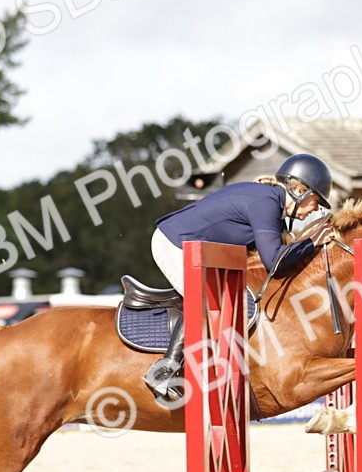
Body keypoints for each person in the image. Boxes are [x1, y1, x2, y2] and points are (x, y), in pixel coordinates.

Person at [142, 153, 335, 403]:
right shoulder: (265, 203)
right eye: (316, 202)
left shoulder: (271, 202)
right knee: (205, 300)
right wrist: (312, 243)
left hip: (196, 247)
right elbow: (274, 261)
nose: (315, 210)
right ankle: (164, 370)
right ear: (301, 190)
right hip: (174, 243)